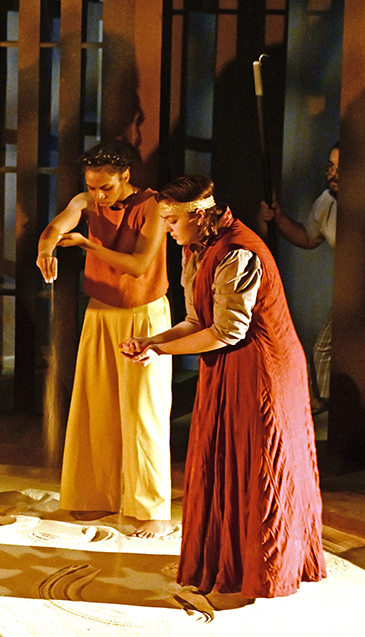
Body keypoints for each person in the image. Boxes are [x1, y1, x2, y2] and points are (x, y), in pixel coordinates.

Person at [123, 176, 325, 599]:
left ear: (198, 215)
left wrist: (163, 353)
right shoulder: (196, 248)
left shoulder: (238, 252)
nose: (167, 229)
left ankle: (261, 570)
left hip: (262, 367)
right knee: (221, 460)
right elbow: (197, 321)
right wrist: (153, 341)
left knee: (256, 465)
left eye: (172, 220)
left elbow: (227, 331)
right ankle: (225, 562)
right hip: (227, 365)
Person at [36, 140, 172, 537]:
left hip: (143, 316)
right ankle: (97, 497)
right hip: (100, 314)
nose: (98, 195)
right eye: (93, 187)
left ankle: (152, 509)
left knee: (143, 411)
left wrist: (88, 245)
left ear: (125, 176)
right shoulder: (86, 200)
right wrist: (46, 247)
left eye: (106, 188)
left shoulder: (152, 206)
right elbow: (57, 225)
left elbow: (138, 264)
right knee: (96, 405)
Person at [258, 141, 338, 402]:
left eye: (341, 167)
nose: (333, 174)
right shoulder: (326, 203)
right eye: (330, 166)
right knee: (324, 350)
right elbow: (307, 237)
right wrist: (278, 218)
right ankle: (332, 413)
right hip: (351, 295)